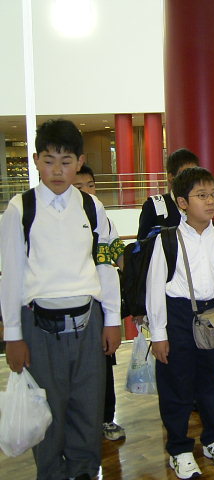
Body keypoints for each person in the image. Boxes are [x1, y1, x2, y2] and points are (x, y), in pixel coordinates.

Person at [0, 119, 122, 480]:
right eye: (49, 160)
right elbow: (11, 275)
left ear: (79, 162)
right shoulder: (20, 209)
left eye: (66, 161)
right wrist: (13, 335)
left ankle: (84, 471)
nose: (57, 170)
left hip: (88, 323)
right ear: (36, 160)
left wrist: (113, 320)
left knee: (87, 406)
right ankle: (51, 473)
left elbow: (106, 265)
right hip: (39, 326)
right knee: (48, 408)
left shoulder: (91, 207)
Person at [146, 167, 214, 479]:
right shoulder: (167, 240)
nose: (210, 201)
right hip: (177, 316)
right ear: (182, 202)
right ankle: (179, 449)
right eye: (201, 195)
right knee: (176, 384)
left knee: (211, 382)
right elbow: (154, 289)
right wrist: (158, 334)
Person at [74, 164, 127, 441]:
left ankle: (106, 418)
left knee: (103, 364)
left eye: (91, 185)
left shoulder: (101, 216)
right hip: (70, 308)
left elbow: (116, 254)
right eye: (79, 187)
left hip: (99, 306)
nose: (87, 191)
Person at [137, 148, 200, 240]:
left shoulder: (200, 204)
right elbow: (143, 244)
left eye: (195, 174)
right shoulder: (154, 206)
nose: (191, 179)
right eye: (185, 174)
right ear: (171, 177)